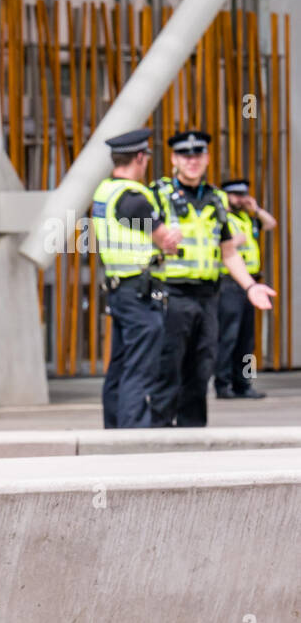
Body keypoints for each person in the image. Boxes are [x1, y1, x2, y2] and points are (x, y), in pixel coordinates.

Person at [149, 130, 275, 427]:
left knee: (201, 367)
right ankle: (158, 434)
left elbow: (229, 253)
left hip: (208, 296)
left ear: (206, 159)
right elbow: (135, 237)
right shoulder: (157, 194)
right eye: (185, 155)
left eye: (198, 155)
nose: (192, 162)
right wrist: (157, 245)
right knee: (169, 365)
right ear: (173, 159)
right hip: (172, 293)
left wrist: (251, 285)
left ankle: (192, 436)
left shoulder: (217, 198)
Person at [89, 129, 183, 429]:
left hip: (118, 290)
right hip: (137, 293)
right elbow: (167, 241)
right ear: (140, 158)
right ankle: (133, 431)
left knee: (119, 364)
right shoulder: (133, 199)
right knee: (140, 366)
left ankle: (115, 427)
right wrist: (173, 237)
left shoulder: (104, 192)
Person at [215, 177, 277, 399]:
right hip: (229, 283)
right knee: (228, 336)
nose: (241, 199)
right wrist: (234, 241)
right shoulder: (221, 219)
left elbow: (271, 223)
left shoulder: (247, 219)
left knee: (247, 339)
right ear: (226, 196)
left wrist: (256, 209)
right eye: (236, 195)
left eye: (244, 195)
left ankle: (245, 383)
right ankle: (223, 385)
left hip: (251, 284)